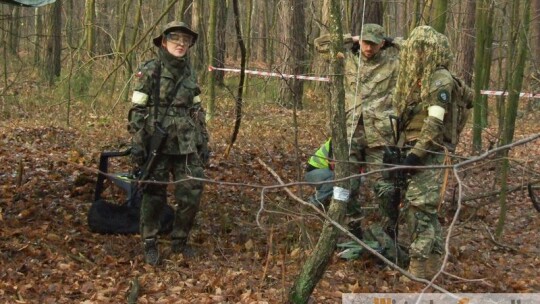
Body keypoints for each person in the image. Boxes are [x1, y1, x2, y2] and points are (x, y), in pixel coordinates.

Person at [314, 24, 404, 262]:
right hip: (350, 133)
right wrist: (349, 38)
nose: (367, 48)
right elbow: (320, 45)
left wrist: (394, 41)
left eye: (373, 43)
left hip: (379, 136)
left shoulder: (393, 64)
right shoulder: (348, 59)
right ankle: (352, 231)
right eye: (365, 42)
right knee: (346, 186)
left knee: (383, 188)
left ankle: (387, 236)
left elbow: (417, 54)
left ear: (382, 44)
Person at [127, 21, 209, 265]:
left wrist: (203, 141)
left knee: (192, 192)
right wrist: (139, 145)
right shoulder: (150, 69)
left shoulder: (190, 72)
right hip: (158, 142)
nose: (181, 44)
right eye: (175, 39)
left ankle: (179, 241)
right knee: (154, 194)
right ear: (164, 41)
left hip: (186, 143)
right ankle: (149, 242)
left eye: (186, 40)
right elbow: (137, 110)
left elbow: (197, 109)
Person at [392, 25, 456, 279]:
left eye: (421, 50)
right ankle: (433, 266)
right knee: (424, 210)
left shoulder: (440, 79)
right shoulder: (418, 78)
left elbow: (434, 123)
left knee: (419, 210)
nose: (416, 54)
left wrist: (415, 155)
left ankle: (419, 270)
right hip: (414, 148)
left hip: (431, 153)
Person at [304, 138, 334, 208]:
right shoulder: (337, 141)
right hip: (313, 173)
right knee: (340, 176)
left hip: (323, 173)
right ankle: (314, 201)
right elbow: (334, 166)